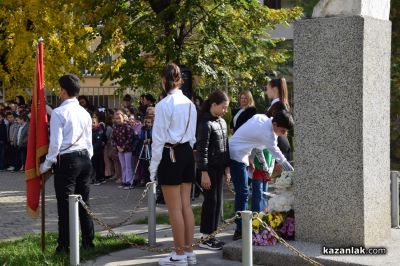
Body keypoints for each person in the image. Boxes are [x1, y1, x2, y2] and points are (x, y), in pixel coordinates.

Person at [39, 74, 94, 253]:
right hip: (85, 158)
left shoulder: (59, 113)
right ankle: (88, 241)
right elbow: (89, 141)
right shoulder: (84, 113)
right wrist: (86, 159)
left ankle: (64, 245)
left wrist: (46, 165)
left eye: (60, 89)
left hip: (67, 161)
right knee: (83, 202)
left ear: (63, 91)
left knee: (65, 205)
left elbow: (55, 143)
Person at [150, 63, 197, 265]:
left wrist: (152, 170)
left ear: (163, 80)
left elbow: (158, 140)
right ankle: (188, 252)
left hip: (171, 153)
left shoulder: (163, 105)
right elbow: (193, 136)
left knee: (175, 209)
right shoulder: (189, 103)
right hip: (186, 152)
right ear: (180, 80)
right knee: (186, 205)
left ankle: (178, 255)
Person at [229, 110, 294, 240]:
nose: (284, 134)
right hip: (236, 154)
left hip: (244, 154)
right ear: (275, 124)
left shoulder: (263, 118)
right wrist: (293, 172)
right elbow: (278, 155)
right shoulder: (267, 134)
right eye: (282, 130)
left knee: (244, 192)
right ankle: (241, 230)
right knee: (243, 193)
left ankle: (246, 227)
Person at [196, 90, 230, 250]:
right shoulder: (205, 123)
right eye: (223, 107)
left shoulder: (221, 122)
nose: (225, 111)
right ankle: (205, 236)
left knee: (218, 202)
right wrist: (203, 173)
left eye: (227, 107)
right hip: (208, 170)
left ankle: (212, 234)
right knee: (210, 202)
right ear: (213, 105)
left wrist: (227, 168)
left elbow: (226, 146)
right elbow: (202, 150)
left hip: (219, 168)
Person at [265, 77, 292, 161]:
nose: (266, 92)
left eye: (267, 88)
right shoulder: (278, 104)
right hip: (279, 145)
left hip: (279, 146)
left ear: (275, 89)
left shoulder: (279, 105)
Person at [112, 110, 134, 189]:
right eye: (116, 118)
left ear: (123, 117)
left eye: (119, 118)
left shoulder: (127, 127)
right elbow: (113, 139)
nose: (117, 120)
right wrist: (117, 146)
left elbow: (130, 138)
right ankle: (124, 181)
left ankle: (129, 182)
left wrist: (123, 147)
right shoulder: (115, 128)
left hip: (127, 149)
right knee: (123, 166)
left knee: (128, 166)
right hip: (119, 149)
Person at [91, 117, 106, 185]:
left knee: (98, 165)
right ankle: (95, 178)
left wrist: (92, 149)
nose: (92, 124)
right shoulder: (91, 131)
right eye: (91, 122)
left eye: (94, 122)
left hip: (97, 151)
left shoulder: (99, 131)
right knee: (94, 165)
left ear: (97, 123)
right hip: (92, 151)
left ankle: (99, 179)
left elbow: (98, 142)